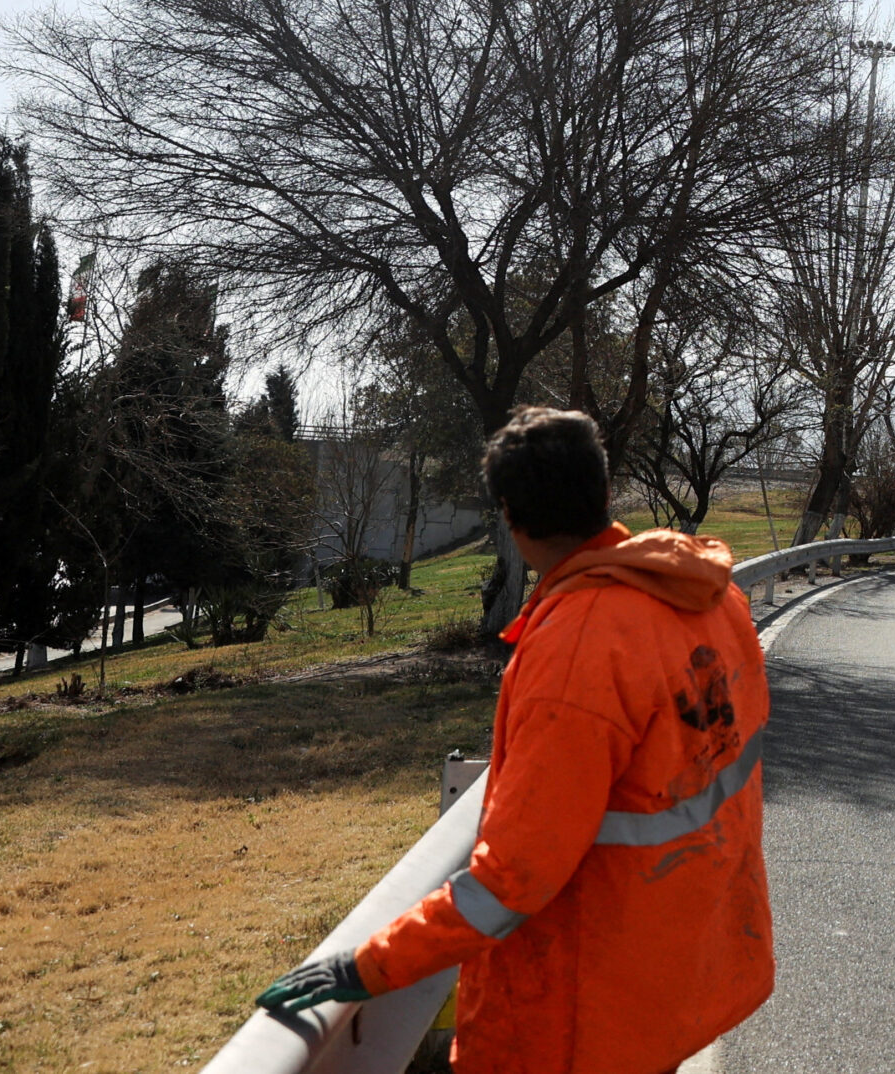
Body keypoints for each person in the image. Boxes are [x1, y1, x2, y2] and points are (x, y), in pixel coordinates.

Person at [257, 406, 774, 1074]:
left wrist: (368, 965)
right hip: (678, 969)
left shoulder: (582, 646)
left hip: (586, 1008)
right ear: (603, 492)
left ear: (508, 514)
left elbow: (512, 880)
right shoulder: (710, 601)